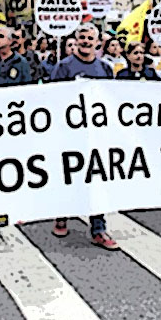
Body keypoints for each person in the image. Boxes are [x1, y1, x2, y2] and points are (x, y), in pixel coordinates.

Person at [48, 24, 118, 250]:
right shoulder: (63, 67)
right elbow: (53, 97)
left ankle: (98, 228)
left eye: (90, 38)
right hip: (70, 133)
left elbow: (112, 99)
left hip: (96, 134)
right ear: (76, 41)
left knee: (96, 178)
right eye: (82, 37)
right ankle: (62, 215)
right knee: (68, 175)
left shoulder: (105, 68)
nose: (86, 41)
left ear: (97, 42)